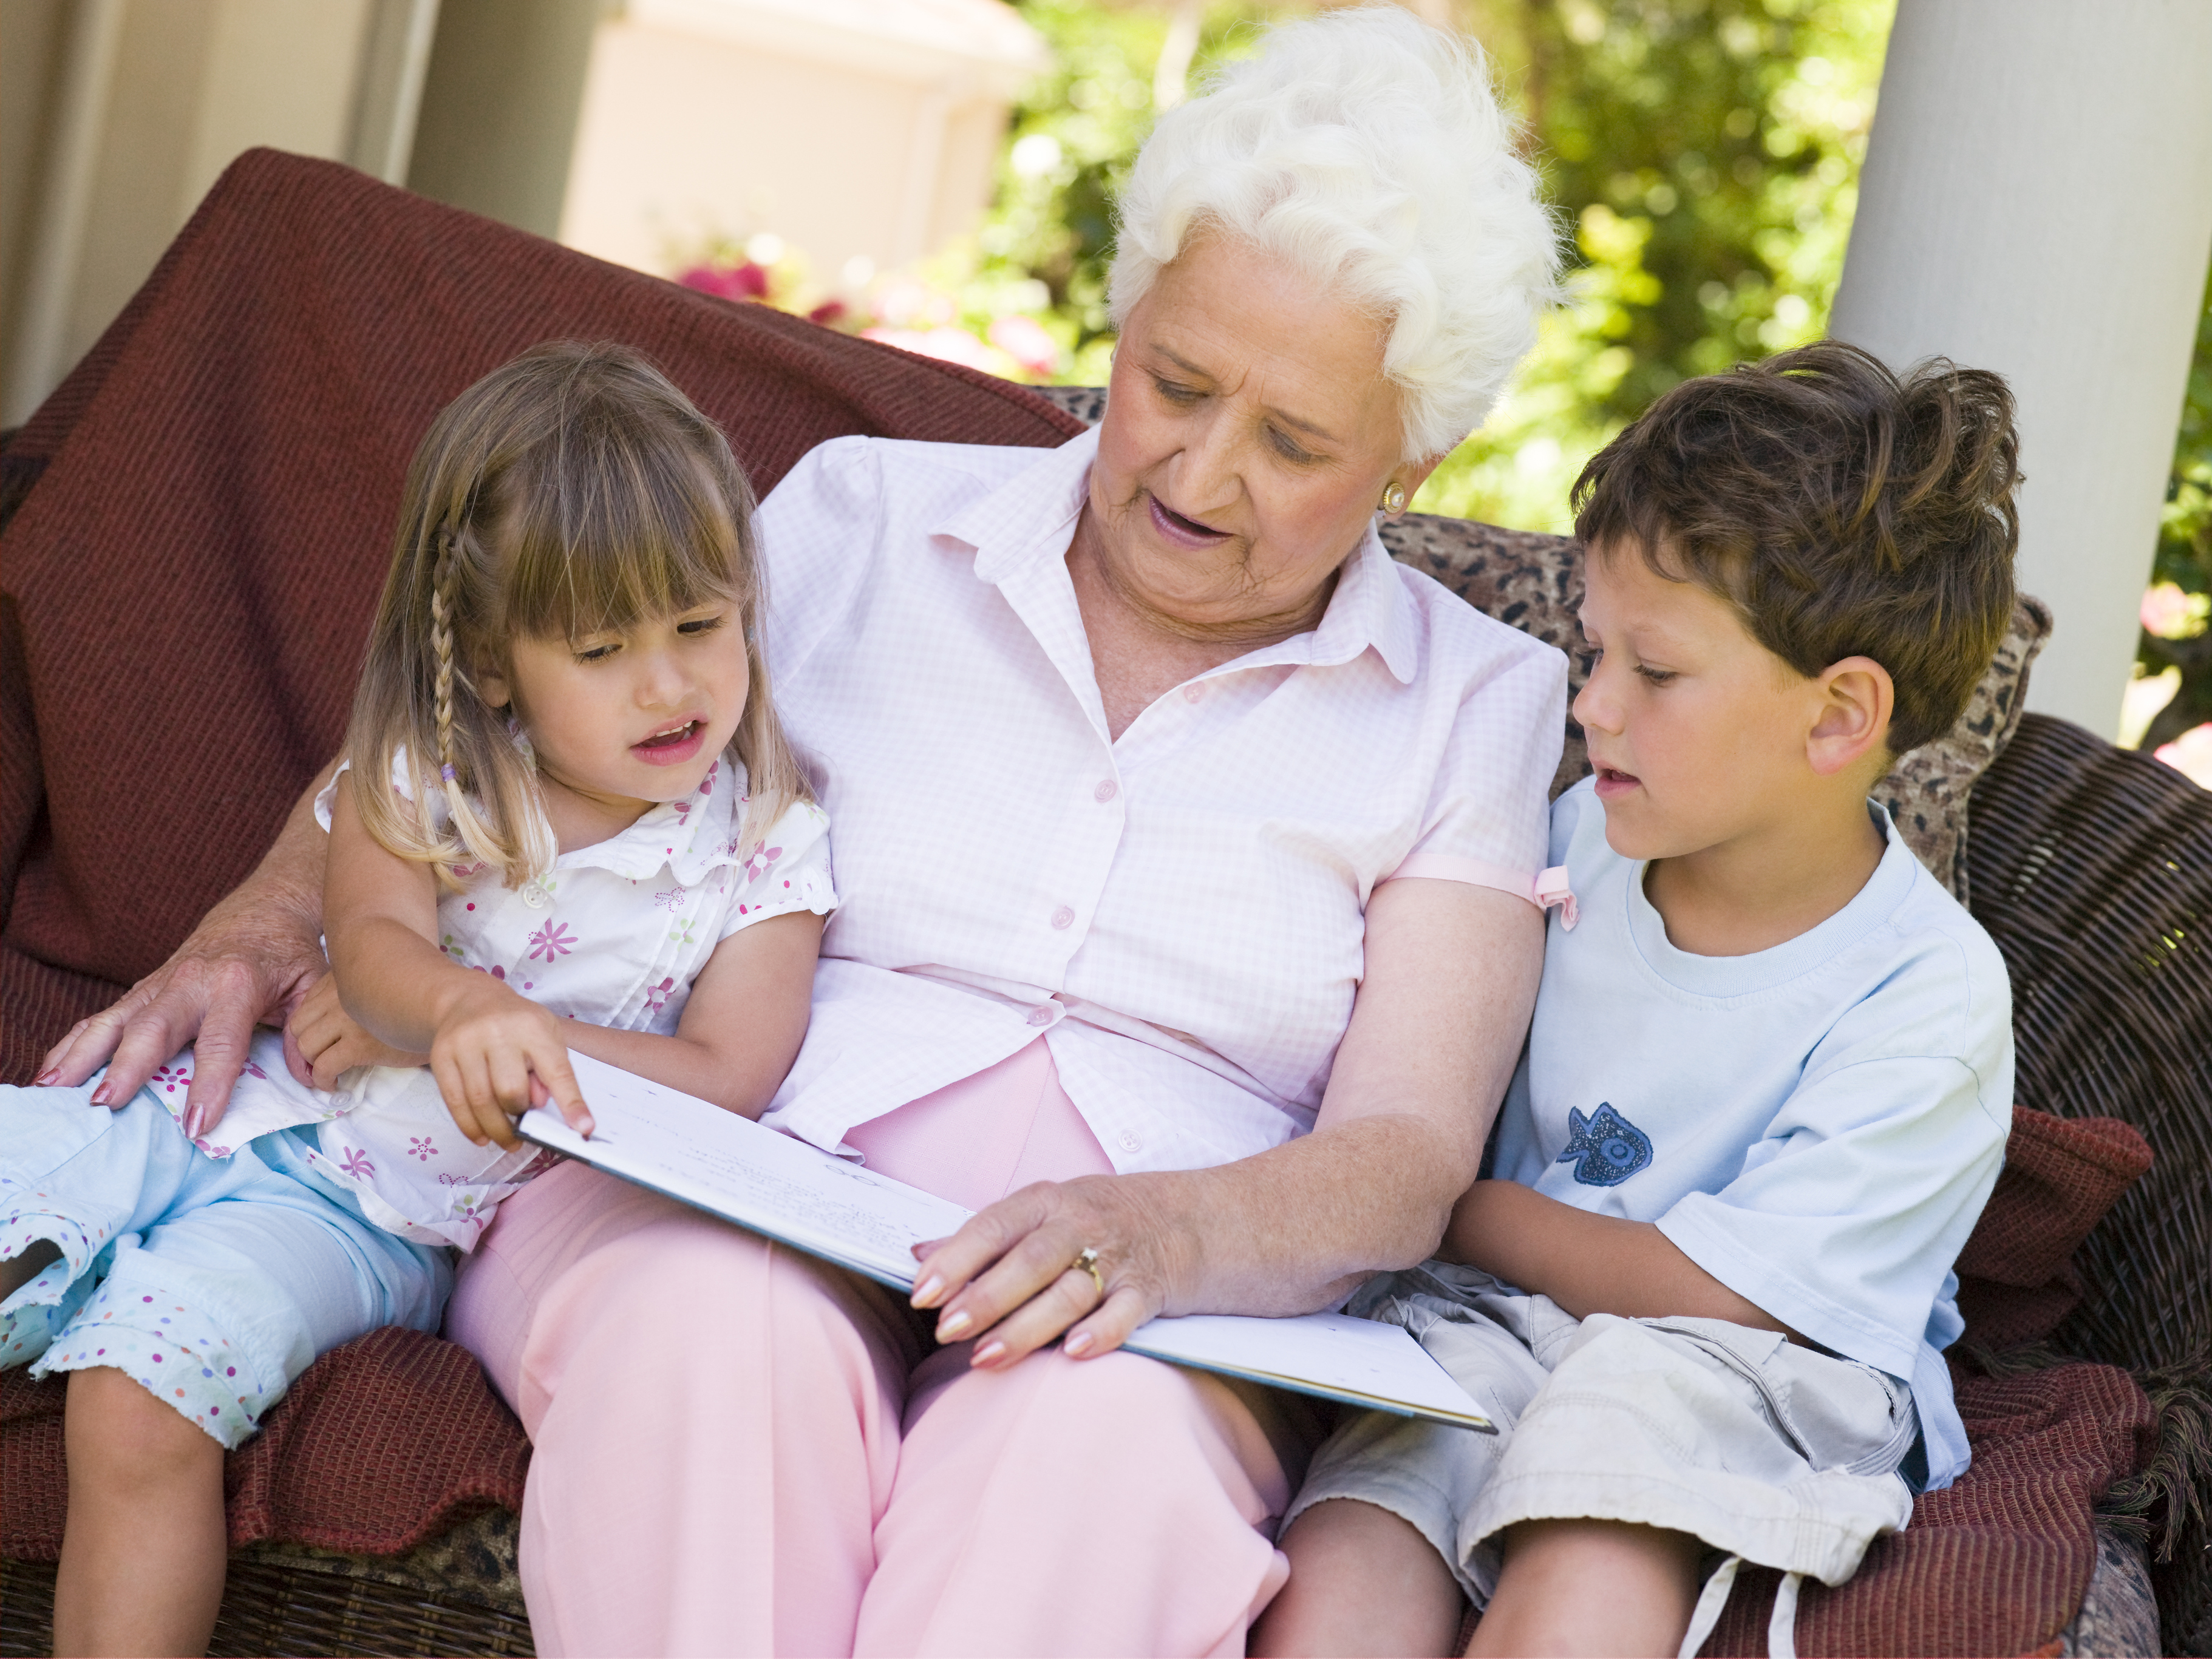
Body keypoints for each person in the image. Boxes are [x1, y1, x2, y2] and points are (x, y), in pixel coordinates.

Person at [35, 10, 1568, 1655]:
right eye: (1173, 383)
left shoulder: (1474, 698)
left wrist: (1169, 1228)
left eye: (1292, 442)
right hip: (720, 1169)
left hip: (1147, 1285)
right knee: (711, 1334)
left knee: (1094, 1457)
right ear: (1122, 323)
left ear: (1414, 457)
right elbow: (500, 712)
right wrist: (276, 910)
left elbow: (1404, 1152)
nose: (1200, 468)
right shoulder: (866, 519)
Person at [1, 341, 832, 1657]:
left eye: (700, 623)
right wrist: (436, 1005)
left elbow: (733, 1068)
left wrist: (509, 1032)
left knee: (131, 1393)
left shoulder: (767, 840)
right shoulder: (434, 766)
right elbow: (372, 940)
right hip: (208, 1100)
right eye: (605, 646)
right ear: (495, 663)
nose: (670, 684)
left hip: (378, 1211)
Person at [1252, 342, 2021, 1659]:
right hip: (1495, 1318)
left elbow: (1728, 1297)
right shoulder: (1578, 841)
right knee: (1362, 1526)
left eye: (1653, 673)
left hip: (1743, 1363)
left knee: (1598, 1516)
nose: (1591, 702)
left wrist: (1466, 1206)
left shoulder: (1927, 993)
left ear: (1840, 715)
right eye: (1591, 649)